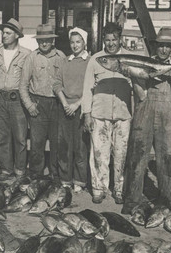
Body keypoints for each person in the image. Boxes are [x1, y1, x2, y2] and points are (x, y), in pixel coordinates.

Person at [121, 27, 171, 214]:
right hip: (144, 112)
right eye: (161, 46)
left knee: (169, 159)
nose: (164, 50)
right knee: (136, 158)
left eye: (167, 46)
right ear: (155, 46)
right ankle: (132, 201)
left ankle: (168, 202)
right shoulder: (144, 63)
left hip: (168, 116)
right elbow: (141, 96)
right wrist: (133, 75)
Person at [81, 22, 133, 204]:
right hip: (99, 114)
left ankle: (119, 189)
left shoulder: (129, 58)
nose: (111, 43)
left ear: (120, 39)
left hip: (123, 115)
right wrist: (87, 113)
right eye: (107, 40)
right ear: (103, 40)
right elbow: (87, 88)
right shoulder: (96, 59)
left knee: (121, 154)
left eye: (114, 39)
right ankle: (99, 188)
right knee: (98, 153)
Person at [20, 24, 65, 178]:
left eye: (47, 40)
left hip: (56, 103)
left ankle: (54, 174)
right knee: (37, 142)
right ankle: (35, 175)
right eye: (41, 41)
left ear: (53, 40)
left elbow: (67, 82)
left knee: (56, 141)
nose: (44, 43)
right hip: (38, 103)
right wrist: (29, 105)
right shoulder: (32, 57)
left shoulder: (61, 57)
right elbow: (23, 85)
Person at [0, 18, 31, 180]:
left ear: (17, 35)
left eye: (8, 33)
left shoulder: (26, 54)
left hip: (17, 99)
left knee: (20, 137)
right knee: (2, 137)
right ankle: (6, 169)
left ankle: (20, 170)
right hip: (0, 98)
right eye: (3, 33)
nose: (4, 36)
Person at [53, 27, 90, 193]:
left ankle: (80, 181)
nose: (75, 45)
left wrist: (77, 105)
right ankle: (65, 179)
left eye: (78, 42)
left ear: (84, 42)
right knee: (64, 146)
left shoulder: (90, 62)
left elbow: (91, 87)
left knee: (80, 147)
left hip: (82, 109)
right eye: (72, 42)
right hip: (65, 108)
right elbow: (57, 84)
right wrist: (65, 104)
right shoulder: (65, 61)